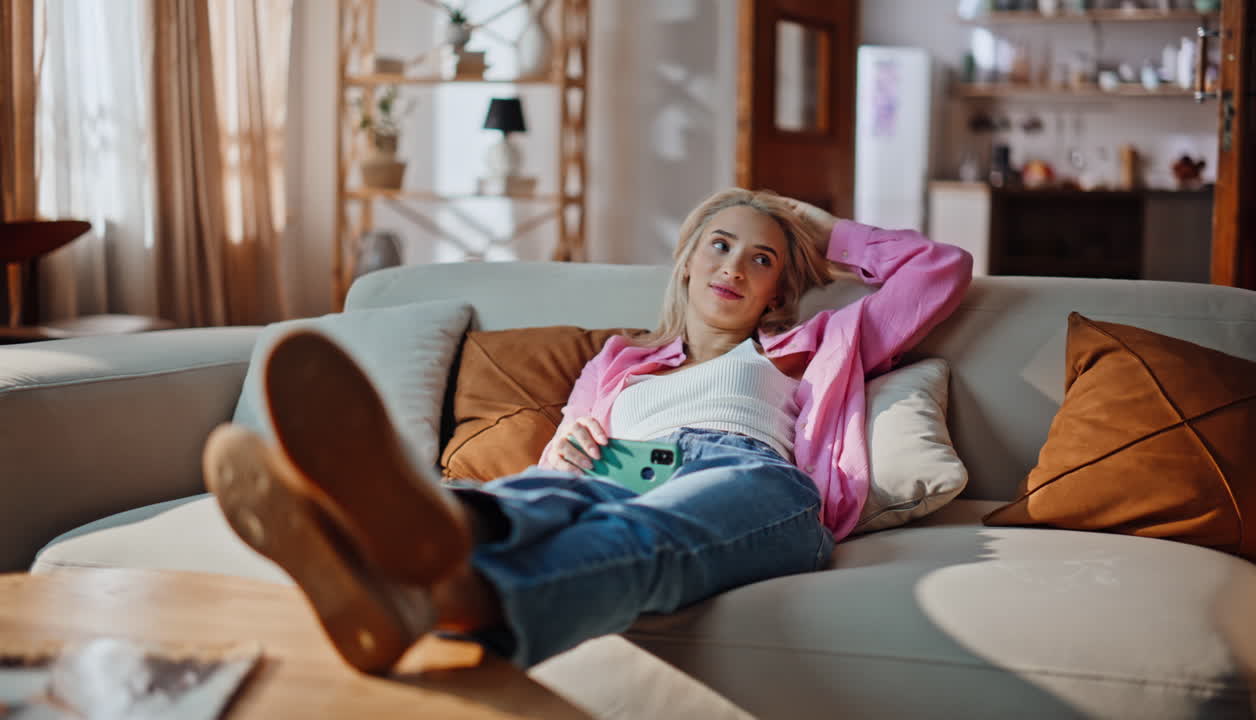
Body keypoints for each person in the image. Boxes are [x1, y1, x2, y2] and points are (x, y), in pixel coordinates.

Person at [202, 188, 973, 674]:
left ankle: (443, 591)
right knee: (540, 497)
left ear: (779, 292)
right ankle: (417, 529)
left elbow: (942, 269)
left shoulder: (815, 346)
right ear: (686, 263)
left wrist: (825, 230)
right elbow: (564, 457)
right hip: (610, 471)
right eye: (720, 244)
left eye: (761, 258)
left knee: (654, 538)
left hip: (748, 478)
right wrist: (565, 449)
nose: (734, 265)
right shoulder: (619, 363)